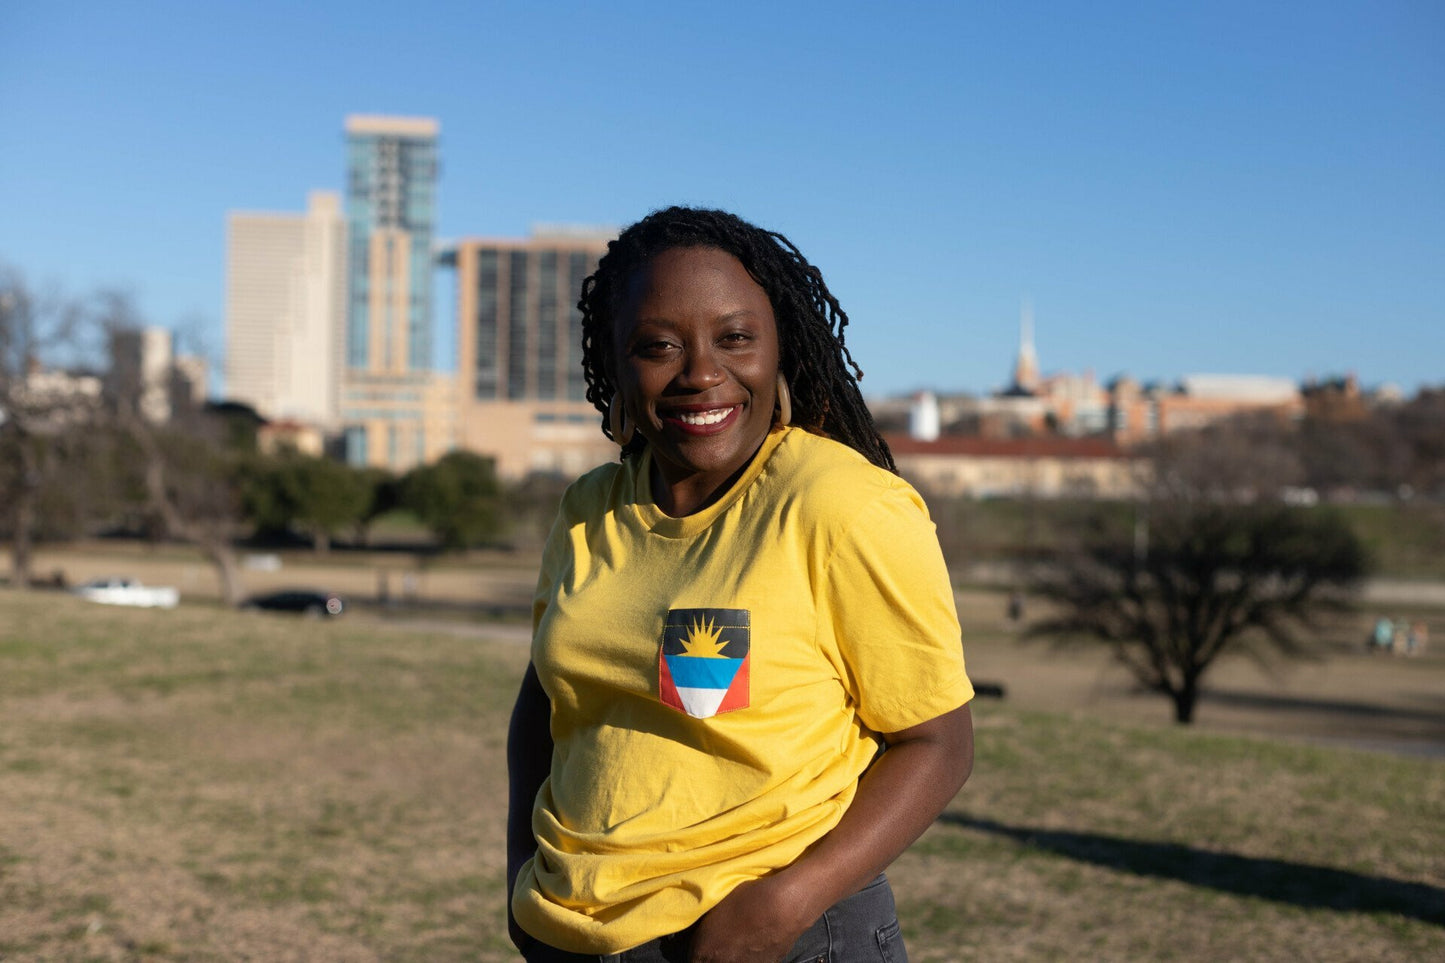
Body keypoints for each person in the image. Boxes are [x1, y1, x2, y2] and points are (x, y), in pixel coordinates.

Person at [507, 207, 975, 963]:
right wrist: (519, 877)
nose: (699, 372)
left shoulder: (843, 506)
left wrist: (779, 905)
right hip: (577, 932)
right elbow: (542, 702)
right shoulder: (588, 508)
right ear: (615, 359)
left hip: (774, 937)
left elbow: (936, 743)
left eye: (734, 337)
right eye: (659, 346)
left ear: (778, 346)